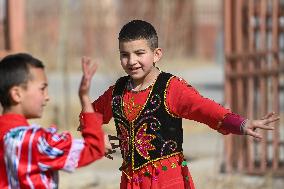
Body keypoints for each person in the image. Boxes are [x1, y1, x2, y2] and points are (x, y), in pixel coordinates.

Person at [90, 20, 280, 189]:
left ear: (156, 54)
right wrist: (98, 138)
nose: (132, 61)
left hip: (167, 181)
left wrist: (242, 124)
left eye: (140, 53)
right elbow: (89, 116)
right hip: (130, 182)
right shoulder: (117, 91)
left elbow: (206, 109)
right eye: (125, 54)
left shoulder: (171, 88)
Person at [0, 53, 105, 188]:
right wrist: (84, 97)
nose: (47, 96)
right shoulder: (36, 141)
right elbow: (93, 148)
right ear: (17, 94)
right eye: (42, 89)